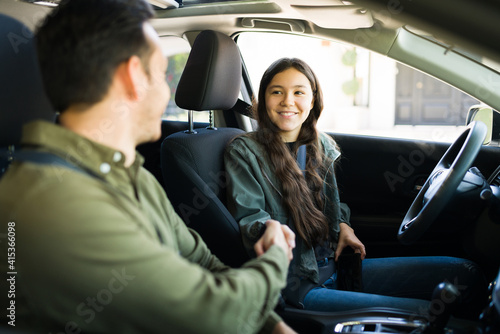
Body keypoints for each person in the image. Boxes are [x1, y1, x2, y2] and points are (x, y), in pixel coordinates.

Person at [0, 1, 298, 333]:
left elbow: (204, 264)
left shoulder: (133, 175)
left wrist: (272, 325)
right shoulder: (54, 201)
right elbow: (210, 314)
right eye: (159, 74)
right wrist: (276, 256)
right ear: (131, 76)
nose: (166, 90)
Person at [224, 57, 487, 318]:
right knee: (429, 317)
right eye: (277, 92)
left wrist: (344, 227)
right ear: (264, 98)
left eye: (298, 92)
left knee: (464, 272)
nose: (287, 101)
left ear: (312, 100)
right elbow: (250, 219)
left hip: (336, 267)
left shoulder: (321, 145)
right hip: (296, 284)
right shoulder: (244, 152)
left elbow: (332, 206)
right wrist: (271, 228)